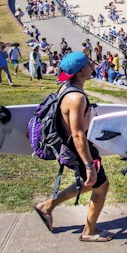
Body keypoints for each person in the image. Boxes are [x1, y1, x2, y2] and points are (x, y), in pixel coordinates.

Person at [34, 52, 114, 242]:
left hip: (75, 146)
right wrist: (88, 165)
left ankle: (47, 207)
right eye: (88, 64)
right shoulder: (76, 98)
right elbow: (77, 134)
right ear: (79, 72)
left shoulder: (66, 87)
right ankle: (89, 231)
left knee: (91, 184)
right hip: (78, 149)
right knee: (100, 187)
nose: (91, 66)